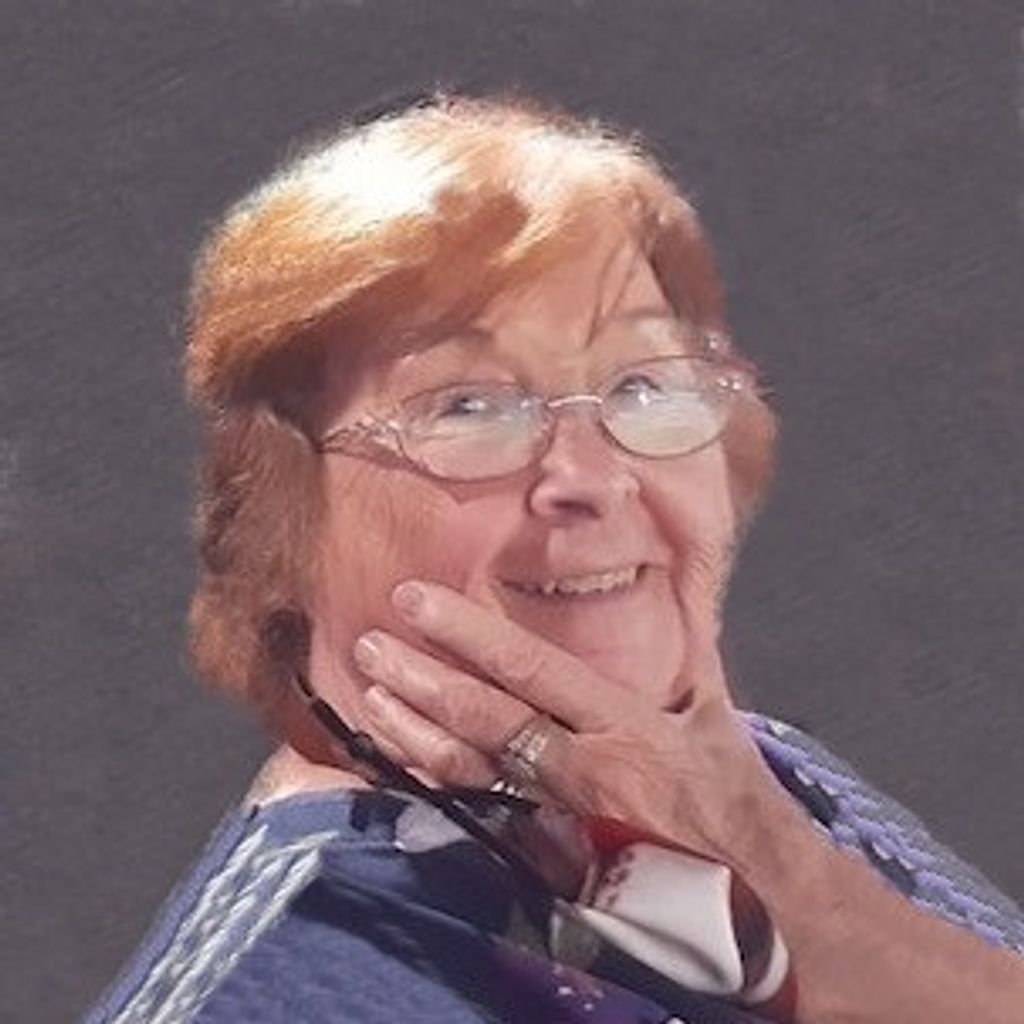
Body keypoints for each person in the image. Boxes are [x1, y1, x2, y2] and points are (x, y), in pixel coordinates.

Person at [86, 94, 1024, 1024]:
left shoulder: (757, 785)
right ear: (281, 518)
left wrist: (798, 885)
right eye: (468, 407)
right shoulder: (287, 990)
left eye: (644, 385)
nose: (594, 478)